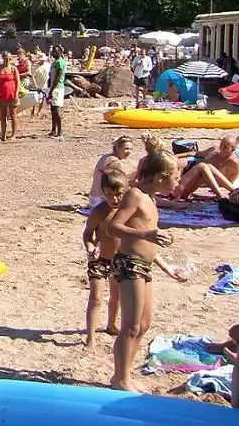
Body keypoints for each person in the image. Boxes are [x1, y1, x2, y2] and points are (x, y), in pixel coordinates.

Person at [107, 148, 183, 391]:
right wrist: (147, 233)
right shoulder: (135, 195)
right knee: (130, 324)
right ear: (161, 177)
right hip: (129, 264)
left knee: (144, 324)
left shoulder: (151, 199)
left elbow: (148, 245)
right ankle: (120, 378)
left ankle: (126, 374)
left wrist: (167, 267)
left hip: (145, 265)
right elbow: (113, 228)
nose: (178, 181)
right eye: (176, 177)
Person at [82, 170, 129, 348]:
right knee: (96, 298)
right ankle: (91, 336)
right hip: (100, 259)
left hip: (120, 260)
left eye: (118, 194)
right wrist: (90, 246)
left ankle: (111, 324)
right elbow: (87, 234)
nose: (114, 199)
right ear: (103, 193)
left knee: (116, 296)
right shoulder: (99, 212)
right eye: (109, 194)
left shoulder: (128, 211)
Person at [172, 135, 239, 200]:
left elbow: (229, 181)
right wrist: (176, 156)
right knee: (203, 166)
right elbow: (196, 153)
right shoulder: (214, 150)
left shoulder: (233, 162)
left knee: (207, 166)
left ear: (233, 150)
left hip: (188, 182)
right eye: (221, 145)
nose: (221, 148)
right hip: (178, 190)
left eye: (225, 147)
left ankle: (235, 192)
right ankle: (227, 194)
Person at [90, 135, 133, 209]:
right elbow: (123, 184)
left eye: (131, 149)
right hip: (101, 199)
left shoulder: (106, 157)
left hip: (93, 197)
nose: (129, 152)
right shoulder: (115, 162)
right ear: (117, 148)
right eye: (126, 149)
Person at [0, 52, 20, 142]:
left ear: (11, 59)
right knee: (3, 116)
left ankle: (13, 135)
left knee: (13, 115)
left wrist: (16, 94)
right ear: (2, 58)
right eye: (5, 58)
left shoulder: (14, 69)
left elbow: (18, 82)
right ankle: (3, 135)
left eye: (9, 58)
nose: (7, 60)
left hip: (11, 94)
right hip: (1, 94)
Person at [47, 45, 67, 138]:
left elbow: (57, 78)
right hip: (54, 87)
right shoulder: (57, 61)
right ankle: (53, 130)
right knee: (53, 109)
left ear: (59, 52)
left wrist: (51, 90)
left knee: (56, 109)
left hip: (57, 88)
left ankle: (59, 131)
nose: (52, 53)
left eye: (54, 51)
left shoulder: (59, 62)